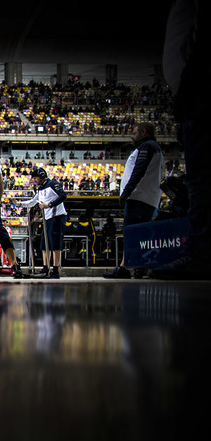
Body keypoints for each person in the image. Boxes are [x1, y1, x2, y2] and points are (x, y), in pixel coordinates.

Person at [152, 1, 210, 280]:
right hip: (193, 94)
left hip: (198, 92)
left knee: (202, 184)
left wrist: (189, 87)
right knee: (199, 183)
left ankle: (201, 255)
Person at [103, 122, 164, 279]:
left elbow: (138, 171)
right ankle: (139, 266)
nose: (131, 136)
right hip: (146, 198)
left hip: (138, 198)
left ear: (143, 132)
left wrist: (125, 193)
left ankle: (126, 267)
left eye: (134, 133)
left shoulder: (147, 147)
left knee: (131, 233)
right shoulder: (153, 147)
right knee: (140, 234)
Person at [21, 166, 68, 279]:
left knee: (55, 243)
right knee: (44, 243)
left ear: (41, 176)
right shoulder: (40, 189)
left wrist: (49, 205)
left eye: (35, 178)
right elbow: (33, 201)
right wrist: (20, 204)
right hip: (47, 218)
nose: (34, 180)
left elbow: (63, 196)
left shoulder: (52, 184)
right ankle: (45, 267)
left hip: (57, 216)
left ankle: (55, 269)